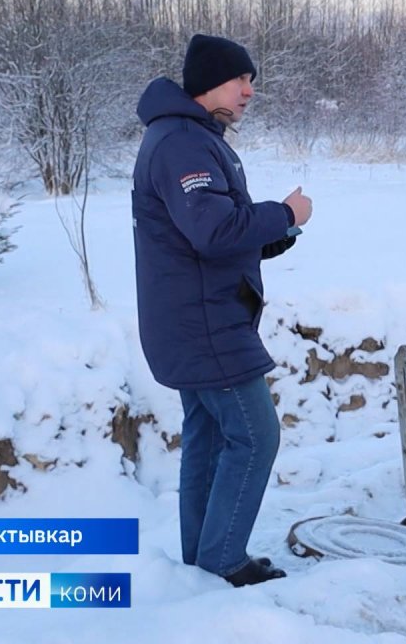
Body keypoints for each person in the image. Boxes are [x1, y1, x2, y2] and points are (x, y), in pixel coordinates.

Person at [132, 34, 313, 587]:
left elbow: (207, 229)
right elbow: (213, 230)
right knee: (257, 436)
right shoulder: (182, 143)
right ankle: (223, 561)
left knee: (209, 441)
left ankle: (200, 562)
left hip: (197, 318)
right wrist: (283, 210)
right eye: (242, 81)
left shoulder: (188, 137)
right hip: (205, 325)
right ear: (210, 82)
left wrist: (276, 232)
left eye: (251, 82)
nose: (249, 92)